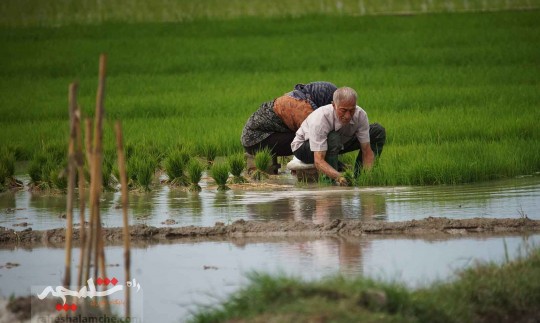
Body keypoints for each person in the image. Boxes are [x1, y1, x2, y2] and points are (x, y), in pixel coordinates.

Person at [291, 86, 385, 186]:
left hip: (339, 142)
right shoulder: (321, 118)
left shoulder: (360, 115)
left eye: (352, 110)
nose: (348, 116)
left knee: (377, 131)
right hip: (304, 148)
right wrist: (339, 177)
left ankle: (360, 178)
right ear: (333, 105)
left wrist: (367, 178)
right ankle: (328, 182)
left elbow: (366, 150)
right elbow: (318, 160)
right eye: (343, 110)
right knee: (333, 137)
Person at [241, 81, 338, 159]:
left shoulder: (301, 96)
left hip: (262, 136)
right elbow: (315, 138)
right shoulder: (302, 107)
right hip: (255, 141)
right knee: (308, 141)